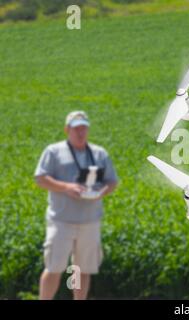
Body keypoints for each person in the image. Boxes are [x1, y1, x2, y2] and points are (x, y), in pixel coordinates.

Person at [34, 111, 118, 300]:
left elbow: (112, 182)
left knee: (82, 269)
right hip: (61, 220)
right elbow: (40, 178)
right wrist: (66, 187)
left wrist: (100, 193)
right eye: (76, 128)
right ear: (67, 130)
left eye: (84, 128)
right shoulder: (53, 152)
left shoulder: (99, 153)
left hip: (89, 221)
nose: (80, 132)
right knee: (54, 268)